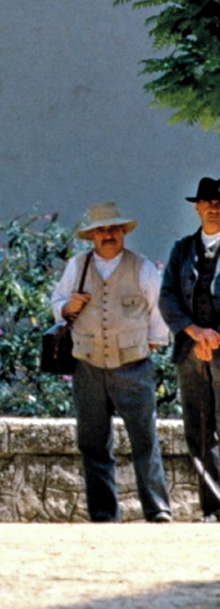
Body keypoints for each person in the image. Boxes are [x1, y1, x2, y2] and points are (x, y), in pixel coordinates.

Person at [51, 202, 172, 523]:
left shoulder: (141, 267)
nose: (110, 235)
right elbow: (57, 302)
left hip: (134, 366)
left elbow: (157, 310)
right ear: (92, 235)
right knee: (92, 444)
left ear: (123, 233)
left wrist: (153, 343)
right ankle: (104, 514)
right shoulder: (77, 266)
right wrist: (67, 307)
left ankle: (158, 509)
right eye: (104, 230)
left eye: (115, 229)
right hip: (87, 365)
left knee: (144, 440)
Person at [159, 177, 220, 521]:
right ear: (197, 207)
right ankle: (212, 507)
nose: (214, 206)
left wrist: (215, 337)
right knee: (198, 431)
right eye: (208, 201)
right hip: (190, 351)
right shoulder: (182, 249)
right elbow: (167, 295)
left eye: (219, 202)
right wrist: (194, 332)